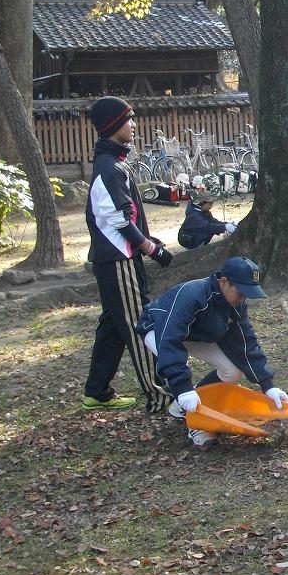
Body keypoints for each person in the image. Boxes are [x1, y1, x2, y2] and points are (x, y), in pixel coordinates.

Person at [82, 95, 174, 414]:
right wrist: (149, 248)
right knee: (139, 325)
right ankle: (160, 394)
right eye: (128, 119)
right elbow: (119, 219)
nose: (134, 125)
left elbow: (127, 215)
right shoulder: (109, 167)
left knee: (113, 325)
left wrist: (147, 239)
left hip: (114, 259)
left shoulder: (112, 163)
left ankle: (97, 392)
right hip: (118, 261)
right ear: (113, 125)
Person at [137, 257, 287, 449]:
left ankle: (184, 405)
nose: (243, 299)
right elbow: (170, 339)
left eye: (247, 294)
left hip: (194, 334)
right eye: (241, 292)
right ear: (223, 282)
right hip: (159, 329)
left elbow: (246, 342)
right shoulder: (193, 296)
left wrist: (268, 385)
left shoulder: (236, 305)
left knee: (232, 372)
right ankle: (195, 420)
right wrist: (183, 388)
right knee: (180, 364)